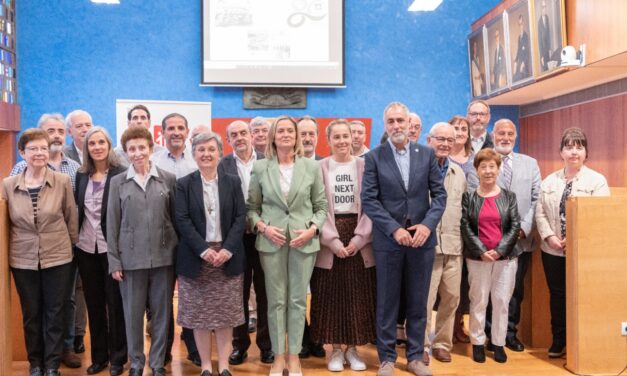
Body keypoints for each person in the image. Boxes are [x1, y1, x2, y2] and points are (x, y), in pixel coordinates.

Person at [361, 102, 446, 376]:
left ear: (410, 123)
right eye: (391, 121)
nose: (397, 126)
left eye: (401, 120)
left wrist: (427, 226)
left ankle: (414, 357)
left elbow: (440, 196)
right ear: (385, 125)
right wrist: (394, 229)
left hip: (422, 242)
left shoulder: (426, 155)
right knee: (387, 302)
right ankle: (386, 358)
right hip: (389, 242)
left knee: (418, 302)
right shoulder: (374, 157)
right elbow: (370, 200)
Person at [247, 115, 328, 376]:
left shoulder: (311, 167)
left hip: (303, 243)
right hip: (271, 242)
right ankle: (278, 358)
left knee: (297, 301)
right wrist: (263, 227)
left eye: (289, 131)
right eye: (280, 131)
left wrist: (312, 229)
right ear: (273, 136)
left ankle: (294, 357)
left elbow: (321, 207)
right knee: (275, 302)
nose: (285, 135)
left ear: (296, 136)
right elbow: (252, 209)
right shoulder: (261, 168)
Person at [2, 128, 78, 376]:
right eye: (33, 148)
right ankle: (36, 363)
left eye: (43, 148)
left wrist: (72, 249)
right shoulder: (8, 185)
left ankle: (52, 364)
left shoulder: (62, 181)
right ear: (22, 152)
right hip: (22, 259)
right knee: (31, 313)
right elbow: (6, 225)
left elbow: (71, 217)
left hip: (59, 256)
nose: (39, 153)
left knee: (56, 312)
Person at [107, 126, 178, 376]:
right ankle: (136, 362)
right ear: (125, 152)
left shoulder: (168, 179)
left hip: (163, 259)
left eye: (141, 147)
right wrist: (114, 261)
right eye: (131, 149)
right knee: (132, 316)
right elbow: (112, 223)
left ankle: (157, 363)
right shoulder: (117, 182)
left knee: (161, 315)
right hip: (130, 261)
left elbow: (175, 220)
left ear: (150, 148)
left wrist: (176, 257)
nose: (137, 153)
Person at [176, 132, 247, 376]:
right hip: (197, 257)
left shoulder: (233, 181)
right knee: (200, 316)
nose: (206, 154)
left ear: (219, 153)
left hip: (227, 256)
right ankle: (206, 366)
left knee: (226, 315)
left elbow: (240, 217)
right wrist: (204, 249)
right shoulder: (184, 184)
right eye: (200, 150)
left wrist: (227, 249)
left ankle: (224, 365)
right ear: (194, 154)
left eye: (211, 149)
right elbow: (182, 220)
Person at [535, 127, 609, 358]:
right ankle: (559, 341)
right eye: (569, 147)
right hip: (552, 250)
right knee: (557, 296)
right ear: (561, 152)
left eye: (579, 147)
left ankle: (582, 342)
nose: (574, 152)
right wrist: (550, 237)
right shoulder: (549, 181)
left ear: (586, 152)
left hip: (583, 251)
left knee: (583, 295)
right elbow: (540, 214)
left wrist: (574, 239)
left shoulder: (597, 181)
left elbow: (600, 214)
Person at [309, 119, 376, 372]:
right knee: (331, 296)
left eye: (345, 136)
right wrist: (333, 240)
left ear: (353, 138)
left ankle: (353, 350)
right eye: (336, 137)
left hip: (360, 236)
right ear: (328, 140)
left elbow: (372, 204)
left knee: (357, 296)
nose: (342, 141)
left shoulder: (365, 166)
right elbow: (317, 206)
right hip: (330, 239)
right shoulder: (319, 167)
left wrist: (359, 239)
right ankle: (335, 350)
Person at [218, 120, 274, 366]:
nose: (239, 137)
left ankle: (266, 345)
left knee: (265, 293)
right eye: (234, 135)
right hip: (235, 239)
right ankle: (239, 345)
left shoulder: (267, 161)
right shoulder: (222, 165)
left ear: (252, 136)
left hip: (264, 236)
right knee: (237, 294)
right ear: (228, 139)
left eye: (243, 133)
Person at [74, 127, 128, 376]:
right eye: (91, 143)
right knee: (94, 305)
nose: (96, 147)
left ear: (108, 145)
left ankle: (118, 358)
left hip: (112, 249)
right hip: (86, 247)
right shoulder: (81, 175)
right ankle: (99, 357)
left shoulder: (121, 174)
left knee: (115, 304)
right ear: (86, 149)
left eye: (101, 142)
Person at [484, 119, 541, 352]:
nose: (505, 138)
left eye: (510, 134)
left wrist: (523, 228)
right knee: (489, 289)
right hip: (489, 240)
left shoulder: (530, 164)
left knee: (514, 290)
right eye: (501, 133)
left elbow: (537, 198)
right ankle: (489, 333)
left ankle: (509, 333)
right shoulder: (483, 163)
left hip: (520, 239)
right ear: (493, 135)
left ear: (515, 137)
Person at [460, 148, 521, 364]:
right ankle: (477, 342)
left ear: (498, 168)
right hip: (478, 259)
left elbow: (515, 226)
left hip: (505, 259)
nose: (487, 171)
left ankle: (498, 343)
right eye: (483, 166)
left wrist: (500, 250)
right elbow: (465, 226)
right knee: (478, 301)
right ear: (476, 170)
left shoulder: (509, 197)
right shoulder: (469, 197)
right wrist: (480, 250)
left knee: (502, 301)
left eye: (492, 166)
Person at [423, 122, 467, 364]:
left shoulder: (459, 173)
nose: (445, 144)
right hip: (426, 246)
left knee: (451, 298)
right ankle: (420, 345)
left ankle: (441, 343)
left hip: (453, 245)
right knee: (424, 300)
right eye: (440, 139)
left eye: (449, 140)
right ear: (429, 140)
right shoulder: (419, 170)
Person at [448, 115, 477, 344]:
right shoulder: (441, 157)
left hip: (472, 226)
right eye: (455, 128)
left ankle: (460, 323)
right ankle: (448, 326)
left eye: (463, 128)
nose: (460, 131)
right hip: (448, 225)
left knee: (466, 280)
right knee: (451, 282)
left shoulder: (475, 159)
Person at [151, 113, 198, 178]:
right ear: (162, 132)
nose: (176, 133)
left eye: (181, 128)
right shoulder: (152, 162)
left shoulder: (197, 160)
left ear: (187, 132)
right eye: (171, 128)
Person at [513, 14, 531, 81]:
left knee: (523, 78)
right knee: (515, 78)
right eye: (519, 24)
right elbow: (518, 50)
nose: (520, 26)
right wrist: (515, 61)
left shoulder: (525, 36)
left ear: (523, 23)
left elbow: (527, 52)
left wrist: (523, 63)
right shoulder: (519, 37)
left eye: (521, 23)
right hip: (520, 63)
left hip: (524, 64)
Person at [538, 0, 551, 72]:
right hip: (543, 51)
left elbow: (549, 34)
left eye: (545, 7)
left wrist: (549, 49)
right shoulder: (539, 23)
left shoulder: (547, 18)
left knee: (551, 68)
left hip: (548, 50)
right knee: (545, 70)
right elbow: (539, 41)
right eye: (543, 7)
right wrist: (541, 56)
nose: (544, 9)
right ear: (540, 9)